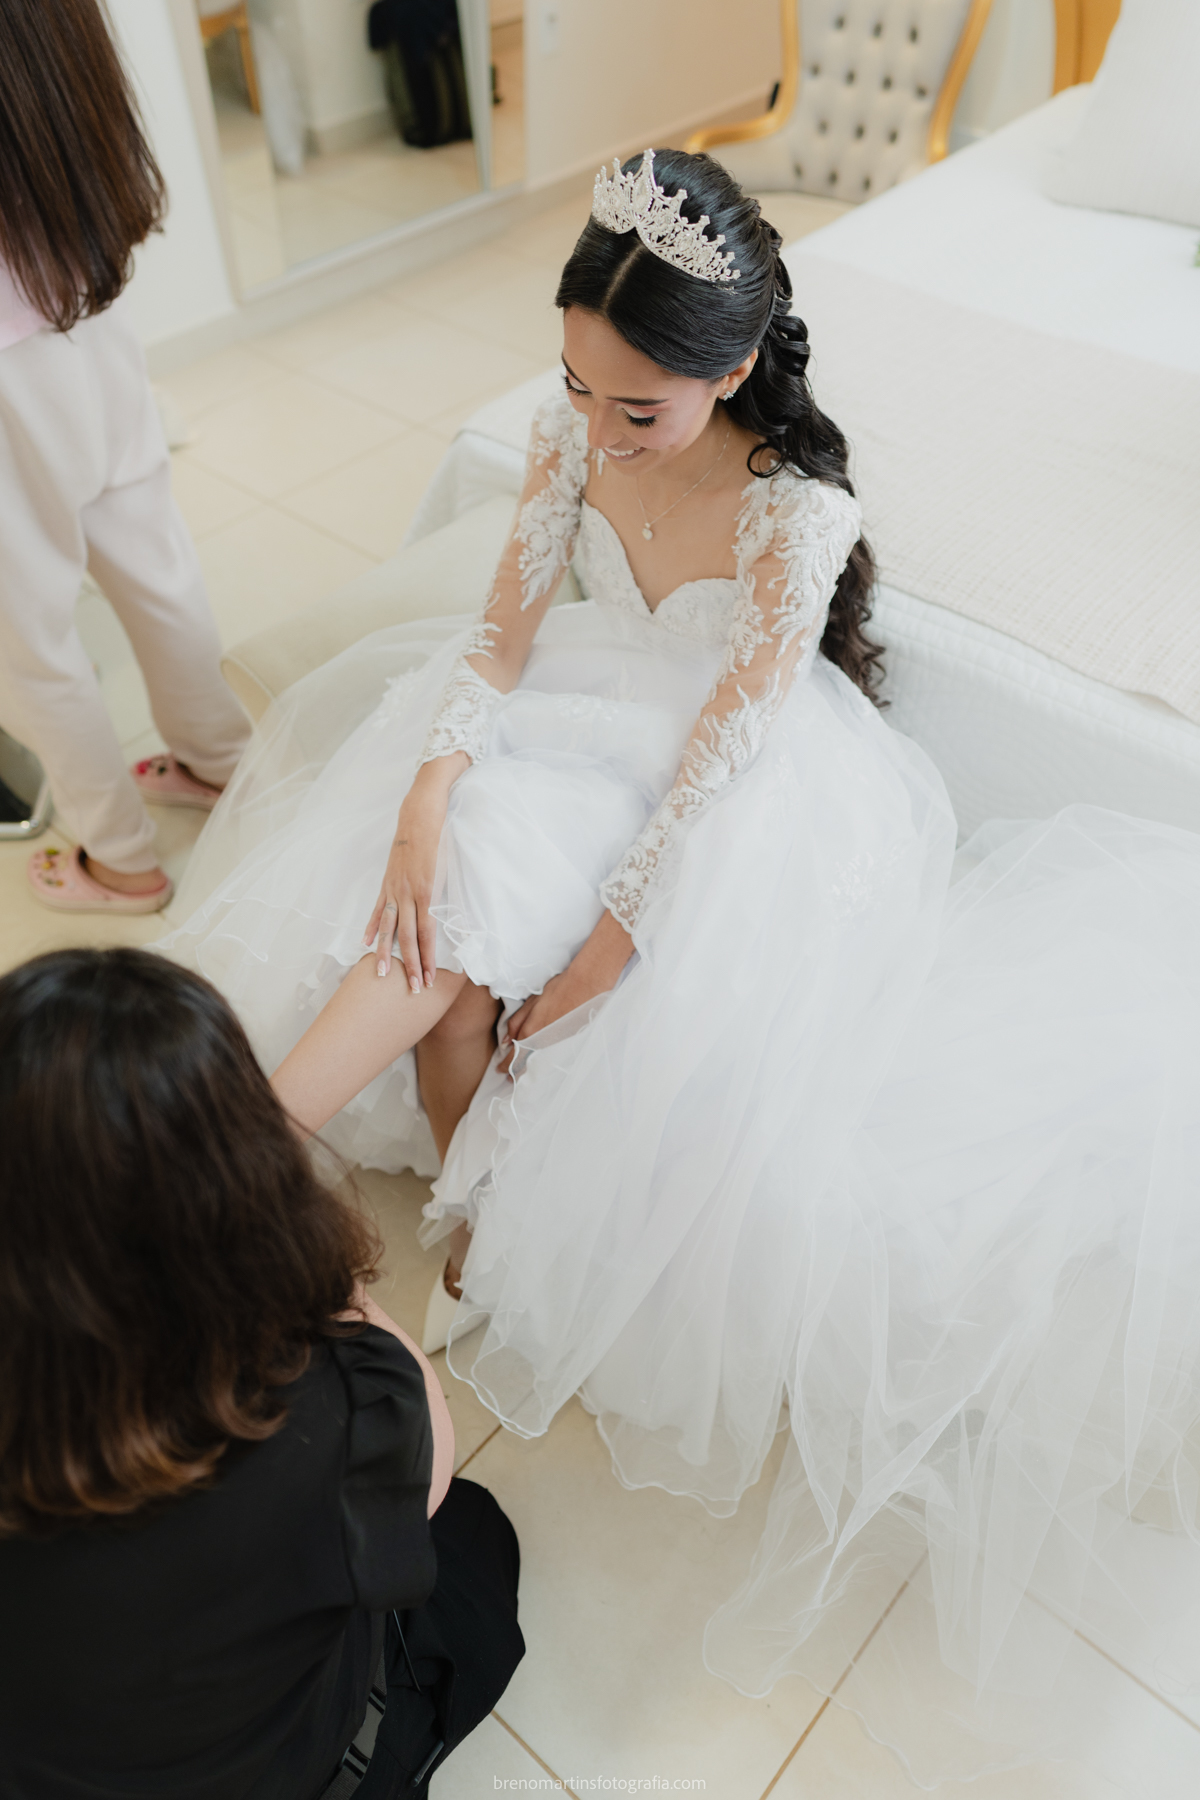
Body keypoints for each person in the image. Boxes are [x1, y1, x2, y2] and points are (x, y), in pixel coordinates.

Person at [162, 149, 1200, 1785]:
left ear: (731, 369)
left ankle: (234, 1160)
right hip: (570, 716)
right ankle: (279, 1157)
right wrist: (430, 789)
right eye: (574, 383)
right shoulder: (578, 429)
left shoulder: (799, 506)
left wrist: (607, 952)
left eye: (636, 404)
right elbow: (498, 637)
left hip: (718, 794)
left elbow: (724, 754)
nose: (592, 422)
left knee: (510, 923)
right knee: (451, 872)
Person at [0, 947, 523, 1798]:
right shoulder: (341, 1399)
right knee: (470, 1541)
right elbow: (425, 1480)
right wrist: (304, 1264)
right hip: (264, 1769)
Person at [0, 0, 250, 916]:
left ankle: (119, 858)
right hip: (88, 310)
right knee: (155, 566)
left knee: (29, 637)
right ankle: (220, 762)